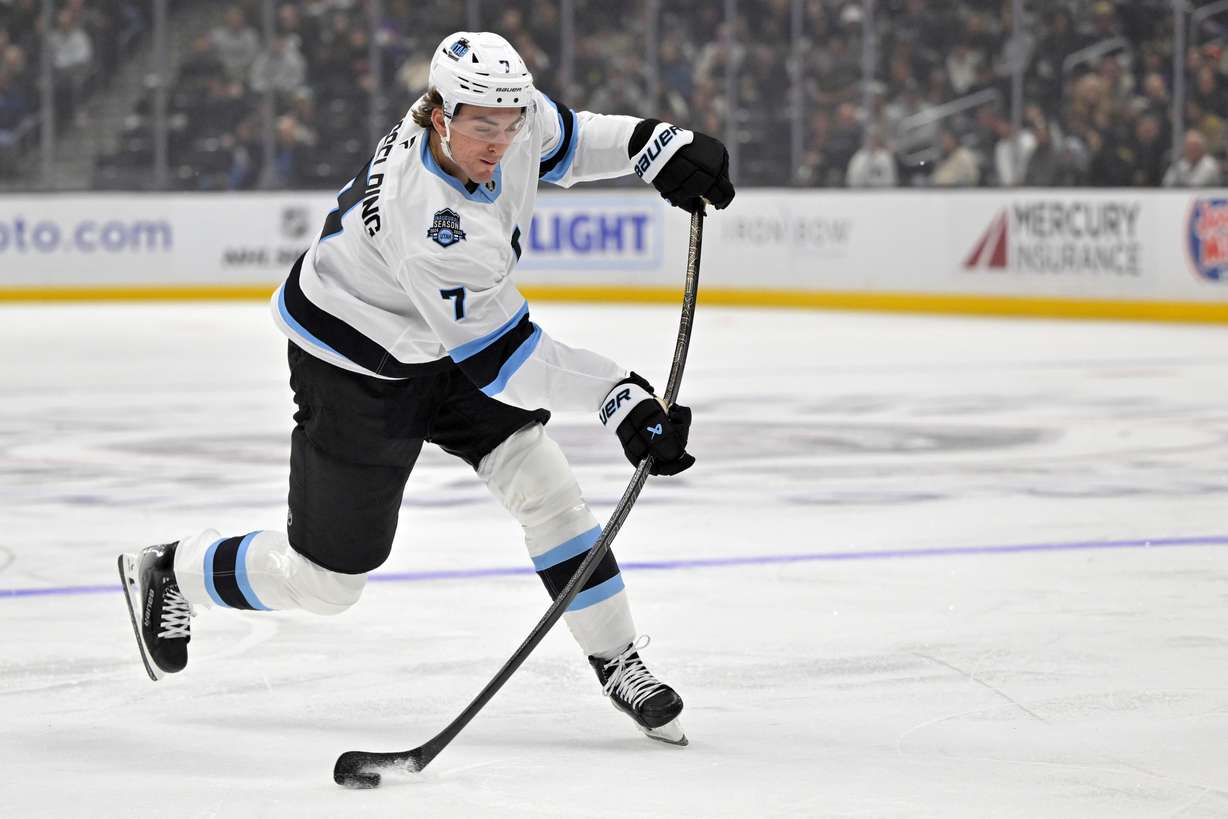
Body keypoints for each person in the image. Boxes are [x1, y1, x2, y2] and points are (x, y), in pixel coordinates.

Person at [118, 31, 734, 748]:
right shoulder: (435, 224)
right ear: (437, 114)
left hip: (443, 334)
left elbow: (566, 138)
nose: (501, 141)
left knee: (544, 483)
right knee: (326, 583)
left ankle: (619, 658)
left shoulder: (500, 111)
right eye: (483, 127)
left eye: (509, 123)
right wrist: (619, 396)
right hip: (355, 365)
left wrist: (654, 144)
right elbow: (505, 362)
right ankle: (173, 570)